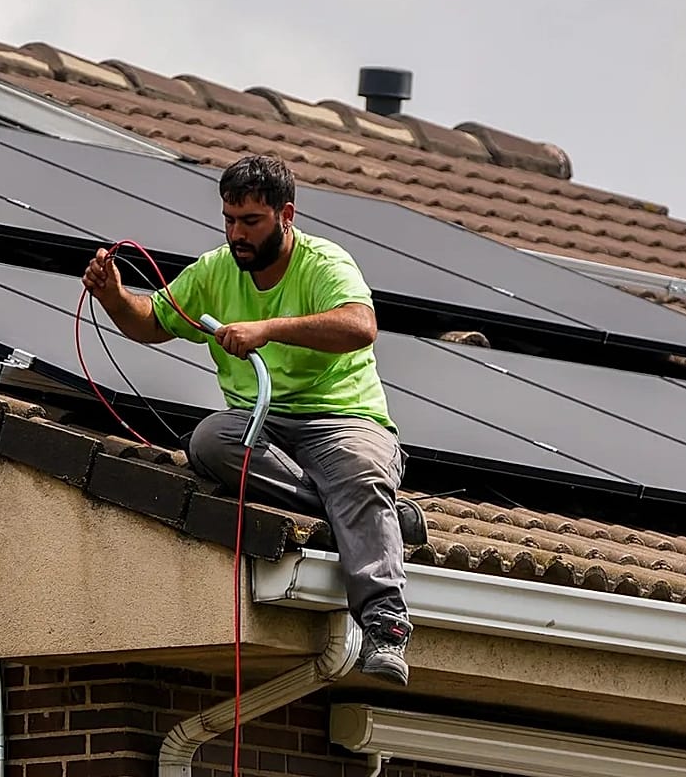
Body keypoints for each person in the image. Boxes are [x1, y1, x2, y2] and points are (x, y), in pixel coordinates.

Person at [80, 153, 427, 686]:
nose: (236, 233)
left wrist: (268, 329)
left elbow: (359, 325)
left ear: (285, 215)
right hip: (259, 423)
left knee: (358, 468)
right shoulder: (215, 269)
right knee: (210, 441)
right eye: (229, 219)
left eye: (250, 221)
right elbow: (153, 322)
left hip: (342, 419)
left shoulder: (324, 263)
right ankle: (374, 519)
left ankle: (384, 624)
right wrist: (114, 296)